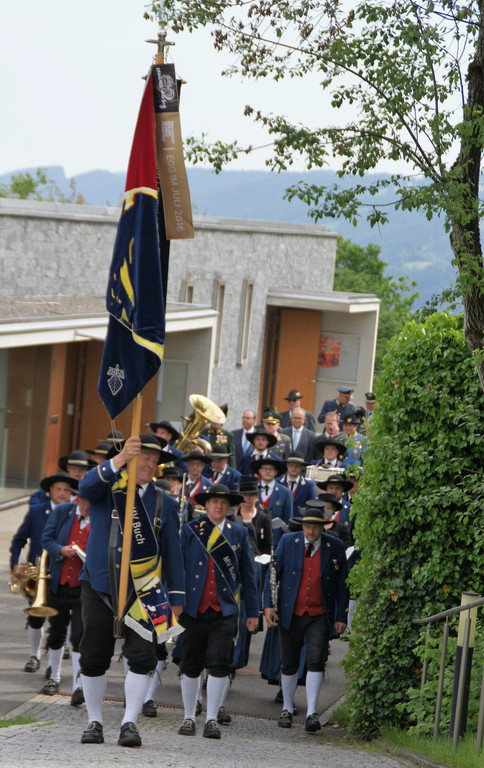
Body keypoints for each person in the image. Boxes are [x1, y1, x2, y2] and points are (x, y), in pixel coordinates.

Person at [77, 434, 185, 748]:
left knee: (142, 658)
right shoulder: (107, 487)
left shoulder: (165, 502)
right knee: (93, 656)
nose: (150, 465)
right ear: (130, 458)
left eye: (155, 461)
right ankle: (94, 721)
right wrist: (120, 458)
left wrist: (177, 598)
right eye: (144, 458)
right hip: (99, 586)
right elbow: (84, 487)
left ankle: (129, 722)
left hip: (145, 591)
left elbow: (173, 552)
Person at [177, 485, 259, 740]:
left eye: (223, 502)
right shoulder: (191, 530)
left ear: (229, 506)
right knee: (190, 664)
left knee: (219, 663)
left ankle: (211, 718)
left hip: (224, 610)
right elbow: (178, 568)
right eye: (214, 501)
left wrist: (253, 611)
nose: (219, 506)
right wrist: (175, 602)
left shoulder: (239, 533)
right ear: (207, 504)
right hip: (193, 609)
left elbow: (248, 575)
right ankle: (189, 717)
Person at [263, 504, 349, 733]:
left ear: (322, 527)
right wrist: (268, 605)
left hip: (319, 614)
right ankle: (287, 708)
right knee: (289, 662)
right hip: (290, 612)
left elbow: (343, 585)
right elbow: (272, 574)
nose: (311, 531)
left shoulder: (335, 546)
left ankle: (312, 712)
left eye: (315, 527)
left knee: (316, 661)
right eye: (308, 526)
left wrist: (341, 615)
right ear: (302, 526)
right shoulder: (287, 542)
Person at [10, 472, 78, 674]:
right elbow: (19, 540)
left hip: (62, 573)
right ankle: (35, 655)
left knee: (60, 620)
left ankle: (53, 663)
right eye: (58, 489)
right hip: (37, 574)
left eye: (66, 490)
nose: (62, 493)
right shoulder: (36, 511)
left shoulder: (75, 513)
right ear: (50, 491)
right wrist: (16, 564)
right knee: (36, 617)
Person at [40, 489, 91, 703]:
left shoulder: (100, 519)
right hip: (59, 583)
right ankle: (54, 677)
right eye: (84, 502)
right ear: (77, 499)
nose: (86, 507)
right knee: (56, 632)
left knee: (79, 636)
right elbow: (46, 538)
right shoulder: (63, 511)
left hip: (83, 587)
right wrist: (60, 550)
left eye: (91, 503)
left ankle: (78, 686)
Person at [250, 456, 293, 530]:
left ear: (276, 472)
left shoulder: (285, 492)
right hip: (254, 534)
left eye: (271, 469)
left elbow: (288, 519)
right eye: (265, 468)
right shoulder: (251, 490)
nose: (267, 471)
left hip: (276, 535)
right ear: (260, 471)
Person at [278, 451, 317, 516]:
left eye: (297, 466)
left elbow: (312, 509)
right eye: (291, 465)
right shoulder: (278, 483)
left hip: (299, 521)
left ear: (302, 467)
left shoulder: (308, 486)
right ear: (287, 465)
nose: (294, 468)